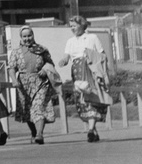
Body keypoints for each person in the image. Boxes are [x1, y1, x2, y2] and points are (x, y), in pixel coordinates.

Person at [58, 14, 111, 142]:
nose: (72, 28)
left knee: (92, 97)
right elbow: (67, 56)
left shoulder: (92, 37)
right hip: (77, 71)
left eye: (74, 26)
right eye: (71, 26)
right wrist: (63, 60)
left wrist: (102, 73)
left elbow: (102, 56)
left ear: (82, 25)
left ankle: (91, 130)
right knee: (82, 100)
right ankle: (93, 131)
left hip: (91, 70)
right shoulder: (70, 41)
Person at [7, 25, 56, 144]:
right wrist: (14, 80)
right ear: (21, 37)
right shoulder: (16, 52)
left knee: (38, 107)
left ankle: (39, 134)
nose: (27, 38)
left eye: (29, 35)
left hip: (40, 82)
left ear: (33, 35)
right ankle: (34, 133)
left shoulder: (42, 49)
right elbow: (12, 68)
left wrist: (45, 69)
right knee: (28, 111)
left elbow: (50, 64)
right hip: (23, 85)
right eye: (24, 36)